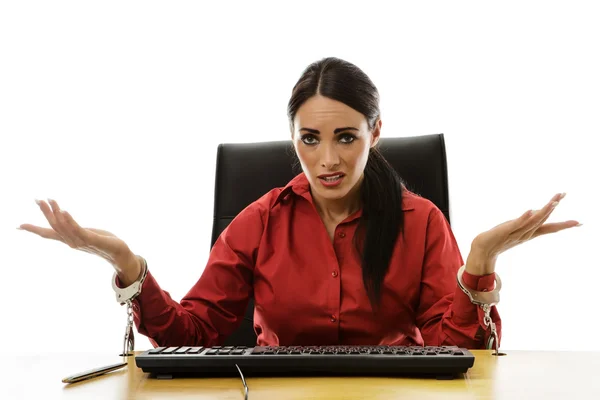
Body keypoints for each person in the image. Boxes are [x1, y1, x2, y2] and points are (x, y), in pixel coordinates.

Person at [19, 57, 580, 350]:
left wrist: (478, 263)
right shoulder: (260, 221)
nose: (327, 159)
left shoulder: (420, 221)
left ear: (376, 132)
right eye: (310, 139)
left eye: (346, 137)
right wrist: (126, 263)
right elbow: (191, 333)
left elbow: (453, 348)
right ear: (294, 139)